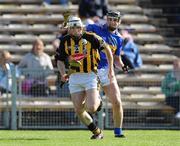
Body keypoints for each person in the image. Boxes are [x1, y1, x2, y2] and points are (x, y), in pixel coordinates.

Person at [56, 16, 114, 139]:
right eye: (70, 28)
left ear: (80, 28)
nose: (72, 30)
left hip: (90, 75)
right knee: (78, 110)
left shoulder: (91, 37)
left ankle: (98, 100)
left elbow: (107, 49)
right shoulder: (64, 41)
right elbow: (60, 60)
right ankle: (97, 132)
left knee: (91, 108)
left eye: (75, 28)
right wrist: (62, 74)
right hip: (74, 77)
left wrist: (111, 69)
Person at [86, 10, 128, 137]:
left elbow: (117, 60)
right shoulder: (95, 28)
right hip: (91, 70)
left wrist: (123, 67)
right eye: (110, 19)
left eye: (115, 20)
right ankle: (97, 104)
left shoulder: (119, 39)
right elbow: (78, 31)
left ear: (119, 22)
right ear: (106, 19)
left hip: (108, 71)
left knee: (117, 101)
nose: (112, 22)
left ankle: (118, 132)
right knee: (90, 107)